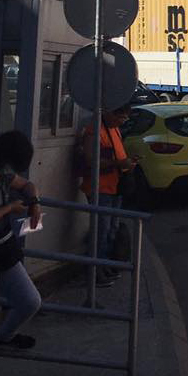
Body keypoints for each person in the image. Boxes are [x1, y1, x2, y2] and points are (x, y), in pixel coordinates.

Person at [0, 130, 43, 376]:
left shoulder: (2, 171)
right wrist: (10, 208)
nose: (13, 170)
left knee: (30, 300)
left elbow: (27, 185)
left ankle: (4, 336)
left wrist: (34, 202)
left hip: (2, 247)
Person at [76, 107, 131, 286]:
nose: (122, 122)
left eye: (124, 119)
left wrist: (126, 164)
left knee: (110, 230)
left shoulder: (114, 129)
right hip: (100, 188)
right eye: (120, 118)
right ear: (109, 113)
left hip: (114, 187)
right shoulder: (94, 131)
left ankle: (104, 266)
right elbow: (91, 160)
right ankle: (94, 272)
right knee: (101, 231)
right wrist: (119, 163)